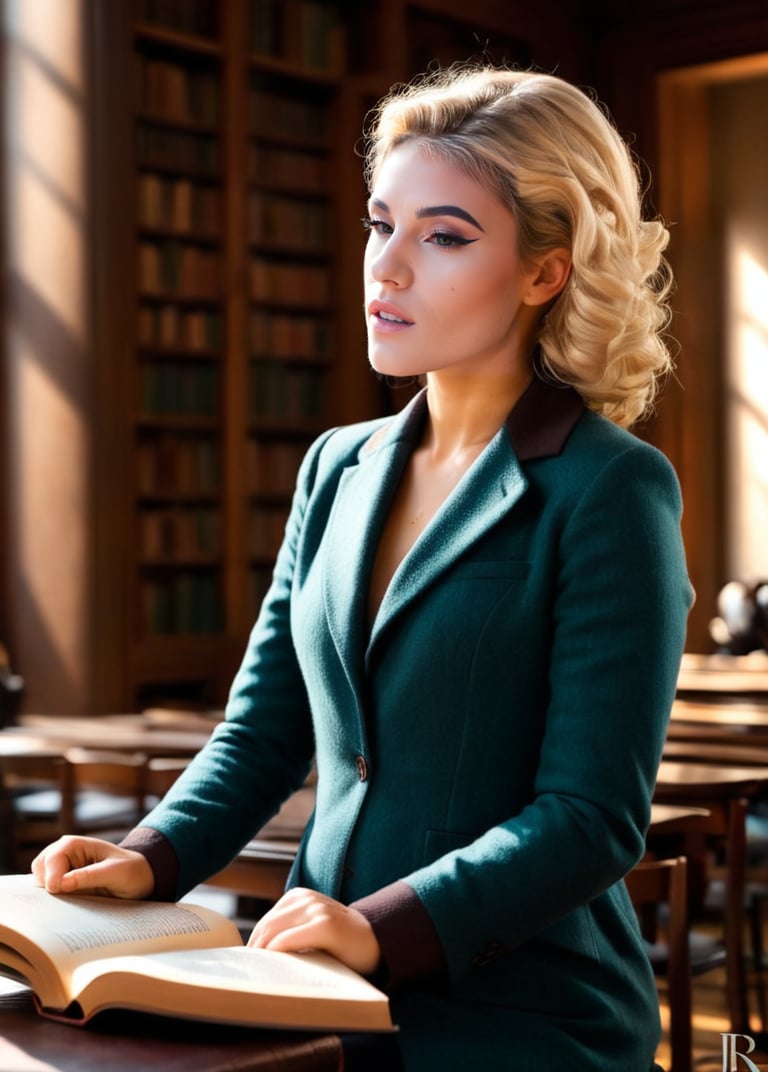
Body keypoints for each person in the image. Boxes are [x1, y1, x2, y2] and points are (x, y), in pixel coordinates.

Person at [33, 64, 693, 1070]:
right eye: (381, 223)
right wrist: (147, 855)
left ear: (545, 272)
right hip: (314, 976)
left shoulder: (610, 490)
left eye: (444, 236)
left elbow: (590, 820)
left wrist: (383, 929)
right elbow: (263, 730)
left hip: (520, 1009)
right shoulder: (337, 467)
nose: (387, 268)